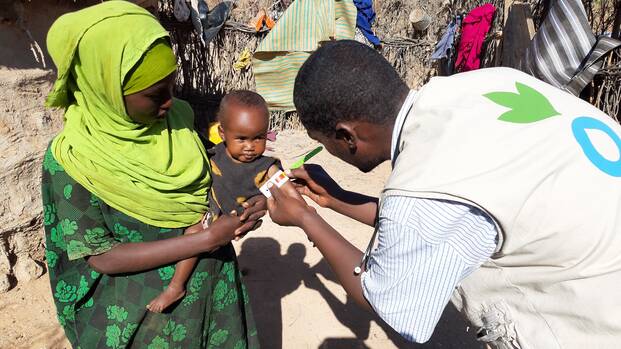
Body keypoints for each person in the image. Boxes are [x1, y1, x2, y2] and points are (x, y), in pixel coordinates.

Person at [265, 40, 621, 348]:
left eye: (322, 143)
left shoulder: (422, 187)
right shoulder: (486, 83)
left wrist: (305, 218)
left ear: (347, 137)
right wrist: (336, 198)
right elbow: (445, 222)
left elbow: (388, 302)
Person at [42, 2, 263, 348]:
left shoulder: (181, 124)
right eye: (155, 96)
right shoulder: (72, 160)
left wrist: (248, 204)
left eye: (172, 88)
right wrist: (207, 239)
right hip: (140, 316)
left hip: (211, 294)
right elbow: (103, 257)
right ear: (106, 90)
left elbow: (221, 184)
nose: (170, 103)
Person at [148, 90, 281, 312]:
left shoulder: (266, 166)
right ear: (222, 132)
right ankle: (177, 283)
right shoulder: (213, 153)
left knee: (193, 235)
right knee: (195, 233)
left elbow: (281, 188)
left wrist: (268, 201)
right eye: (241, 138)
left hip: (232, 219)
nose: (250, 146)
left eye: (258, 138)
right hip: (211, 210)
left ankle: (175, 287)